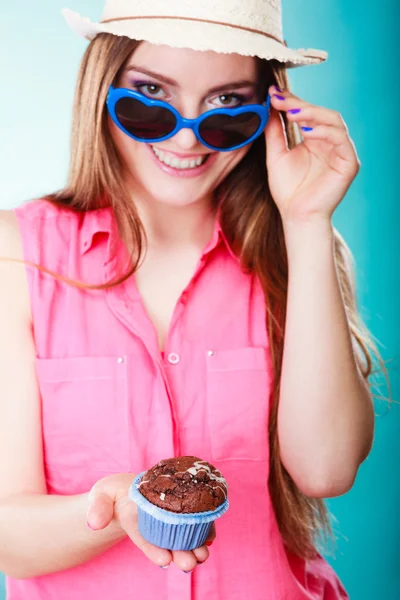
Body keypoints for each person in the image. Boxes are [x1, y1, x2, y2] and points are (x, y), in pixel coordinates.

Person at [0, 1, 387, 599]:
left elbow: (327, 468)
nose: (186, 136)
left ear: (270, 111)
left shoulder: (296, 251)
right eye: (151, 93)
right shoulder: (18, 256)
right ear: (103, 86)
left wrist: (307, 221)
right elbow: (9, 533)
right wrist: (116, 508)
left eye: (228, 106)